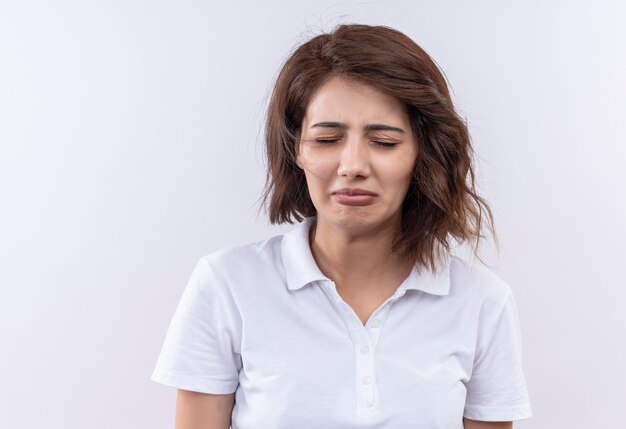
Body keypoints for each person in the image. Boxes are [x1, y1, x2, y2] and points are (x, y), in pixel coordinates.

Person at [151, 24, 532, 429]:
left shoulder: (482, 302)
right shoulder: (227, 284)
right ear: (295, 148)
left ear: (423, 153)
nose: (352, 166)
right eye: (327, 139)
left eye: (384, 142)